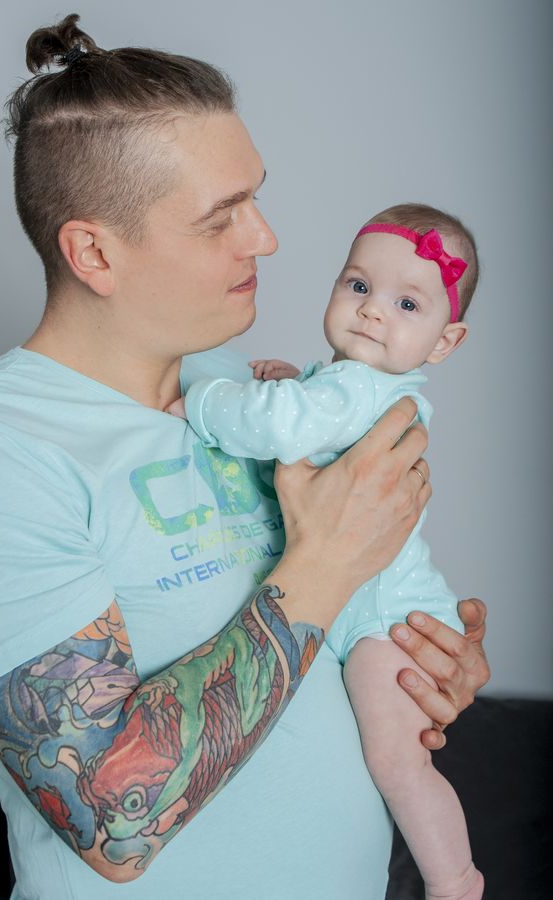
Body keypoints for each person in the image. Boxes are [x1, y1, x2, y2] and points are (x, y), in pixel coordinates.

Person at [0, 15, 489, 900]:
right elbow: (111, 820)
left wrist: (422, 657)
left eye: (255, 198)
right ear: (93, 251)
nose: (266, 238)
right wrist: (330, 563)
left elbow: (335, 645)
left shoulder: (245, 390)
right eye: (222, 217)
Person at [172, 203, 484, 900]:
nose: (372, 310)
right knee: (388, 754)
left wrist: (202, 401)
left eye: (407, 303)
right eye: (358, 285)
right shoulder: (349, 386)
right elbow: (314, 414)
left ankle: (455, 880)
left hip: (386, 623)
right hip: (361, 611)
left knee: (399, 764)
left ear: (444, 341)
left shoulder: (356, 389)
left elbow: (281, 426)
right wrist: (296, 380)